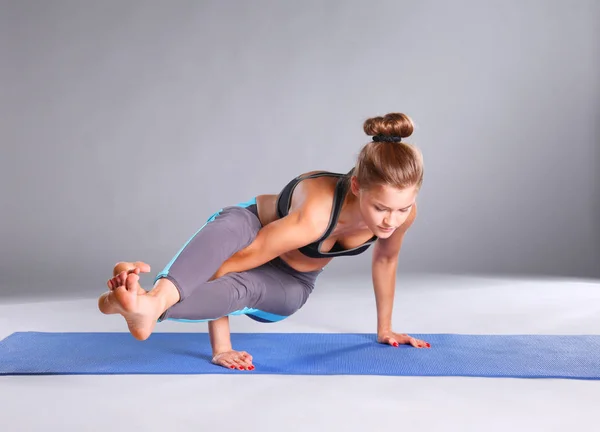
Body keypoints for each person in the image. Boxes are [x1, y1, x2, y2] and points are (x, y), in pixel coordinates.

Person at [98, 112, 431, 372]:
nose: (392, 220)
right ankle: (143, 305)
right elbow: (228, 265)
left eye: (402, 208)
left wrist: (385, 329)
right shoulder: (316, 212)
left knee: (251, 289)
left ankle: (137, 302)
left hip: (291, 280)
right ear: (357, 187)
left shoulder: (404, 214)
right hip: (251, 231)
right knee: (227, 233)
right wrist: (221, 347)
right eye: (381, 208)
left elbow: (386, 261)